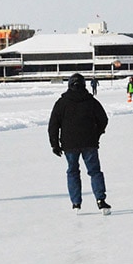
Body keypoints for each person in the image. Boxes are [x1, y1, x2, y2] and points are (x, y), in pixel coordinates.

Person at [49, 73, 111, 214]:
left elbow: (53, 125)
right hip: (89, 142)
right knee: (94, 171)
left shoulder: (62, 103)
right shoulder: (91, 101)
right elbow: (103, 119)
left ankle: (76, 203)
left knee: (73, 171)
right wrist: (96, 134)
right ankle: (100, 200)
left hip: (69, 144)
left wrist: (55, 144)